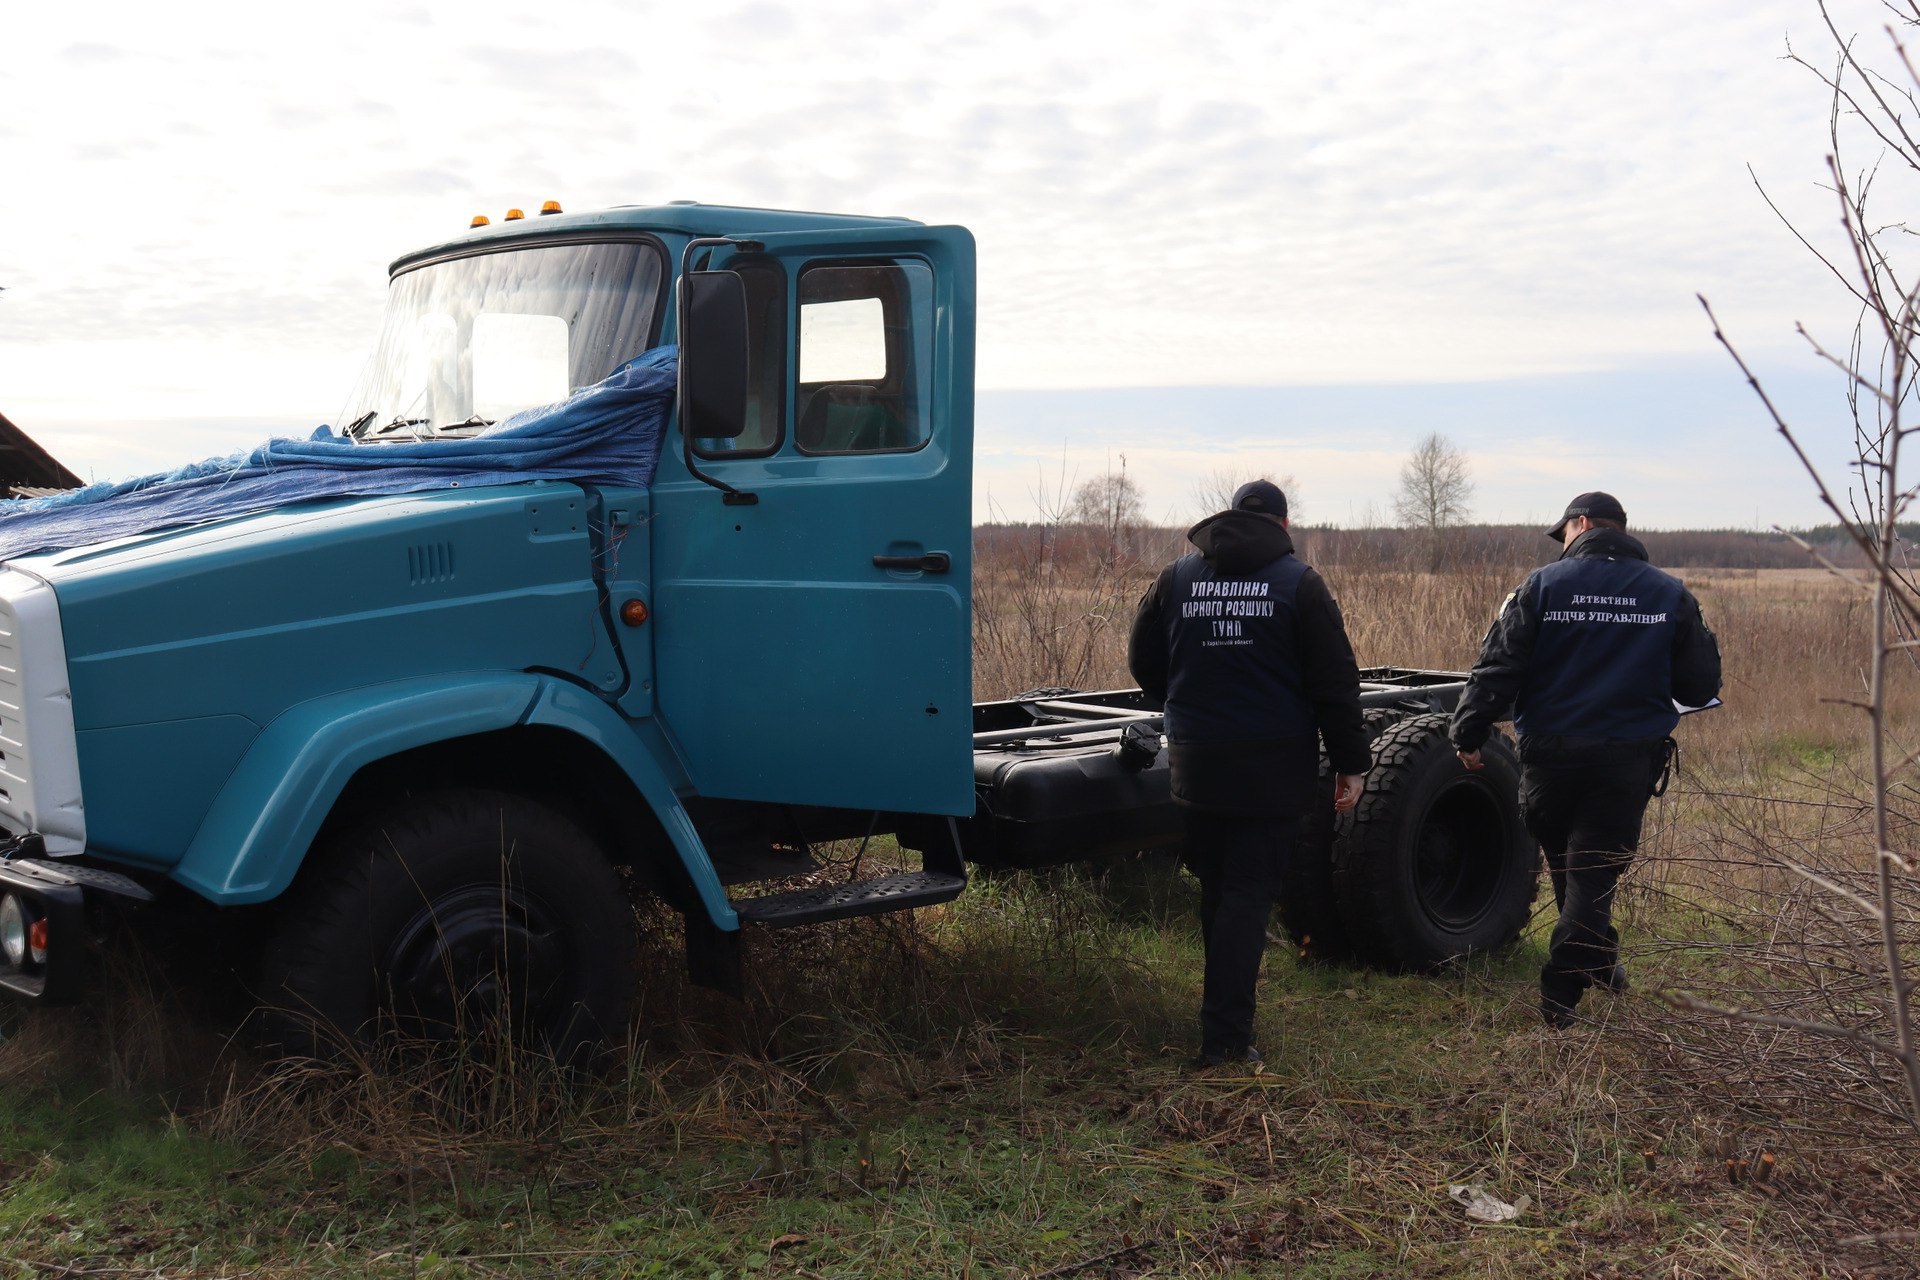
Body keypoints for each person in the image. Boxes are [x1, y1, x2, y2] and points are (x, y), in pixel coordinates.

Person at [1449, 492, 1722, 1029]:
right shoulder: (1669, 593)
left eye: (1565, 533)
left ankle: (1572, 980)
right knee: (1591, 871)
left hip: (1550, 753)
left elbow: (1497, 668)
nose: (1564, 543)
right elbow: (1700, 683)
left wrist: (1468, 731)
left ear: (1581, 524)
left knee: (1575, 867)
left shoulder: (1541, 586)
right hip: (1626, 756)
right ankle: (1580, 974)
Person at [1128, 480, 1370, 1069]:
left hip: (1197, 760)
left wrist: (1180, 703)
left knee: (1220, 891)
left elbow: (1143, 659)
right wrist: (1353, 763)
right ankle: (1227, 1042)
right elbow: (1334, 683)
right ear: (1283, 528)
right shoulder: (1299, 584)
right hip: (1269, 766)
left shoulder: (1177, 578)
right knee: (1246, 896)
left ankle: (1224, 1017)